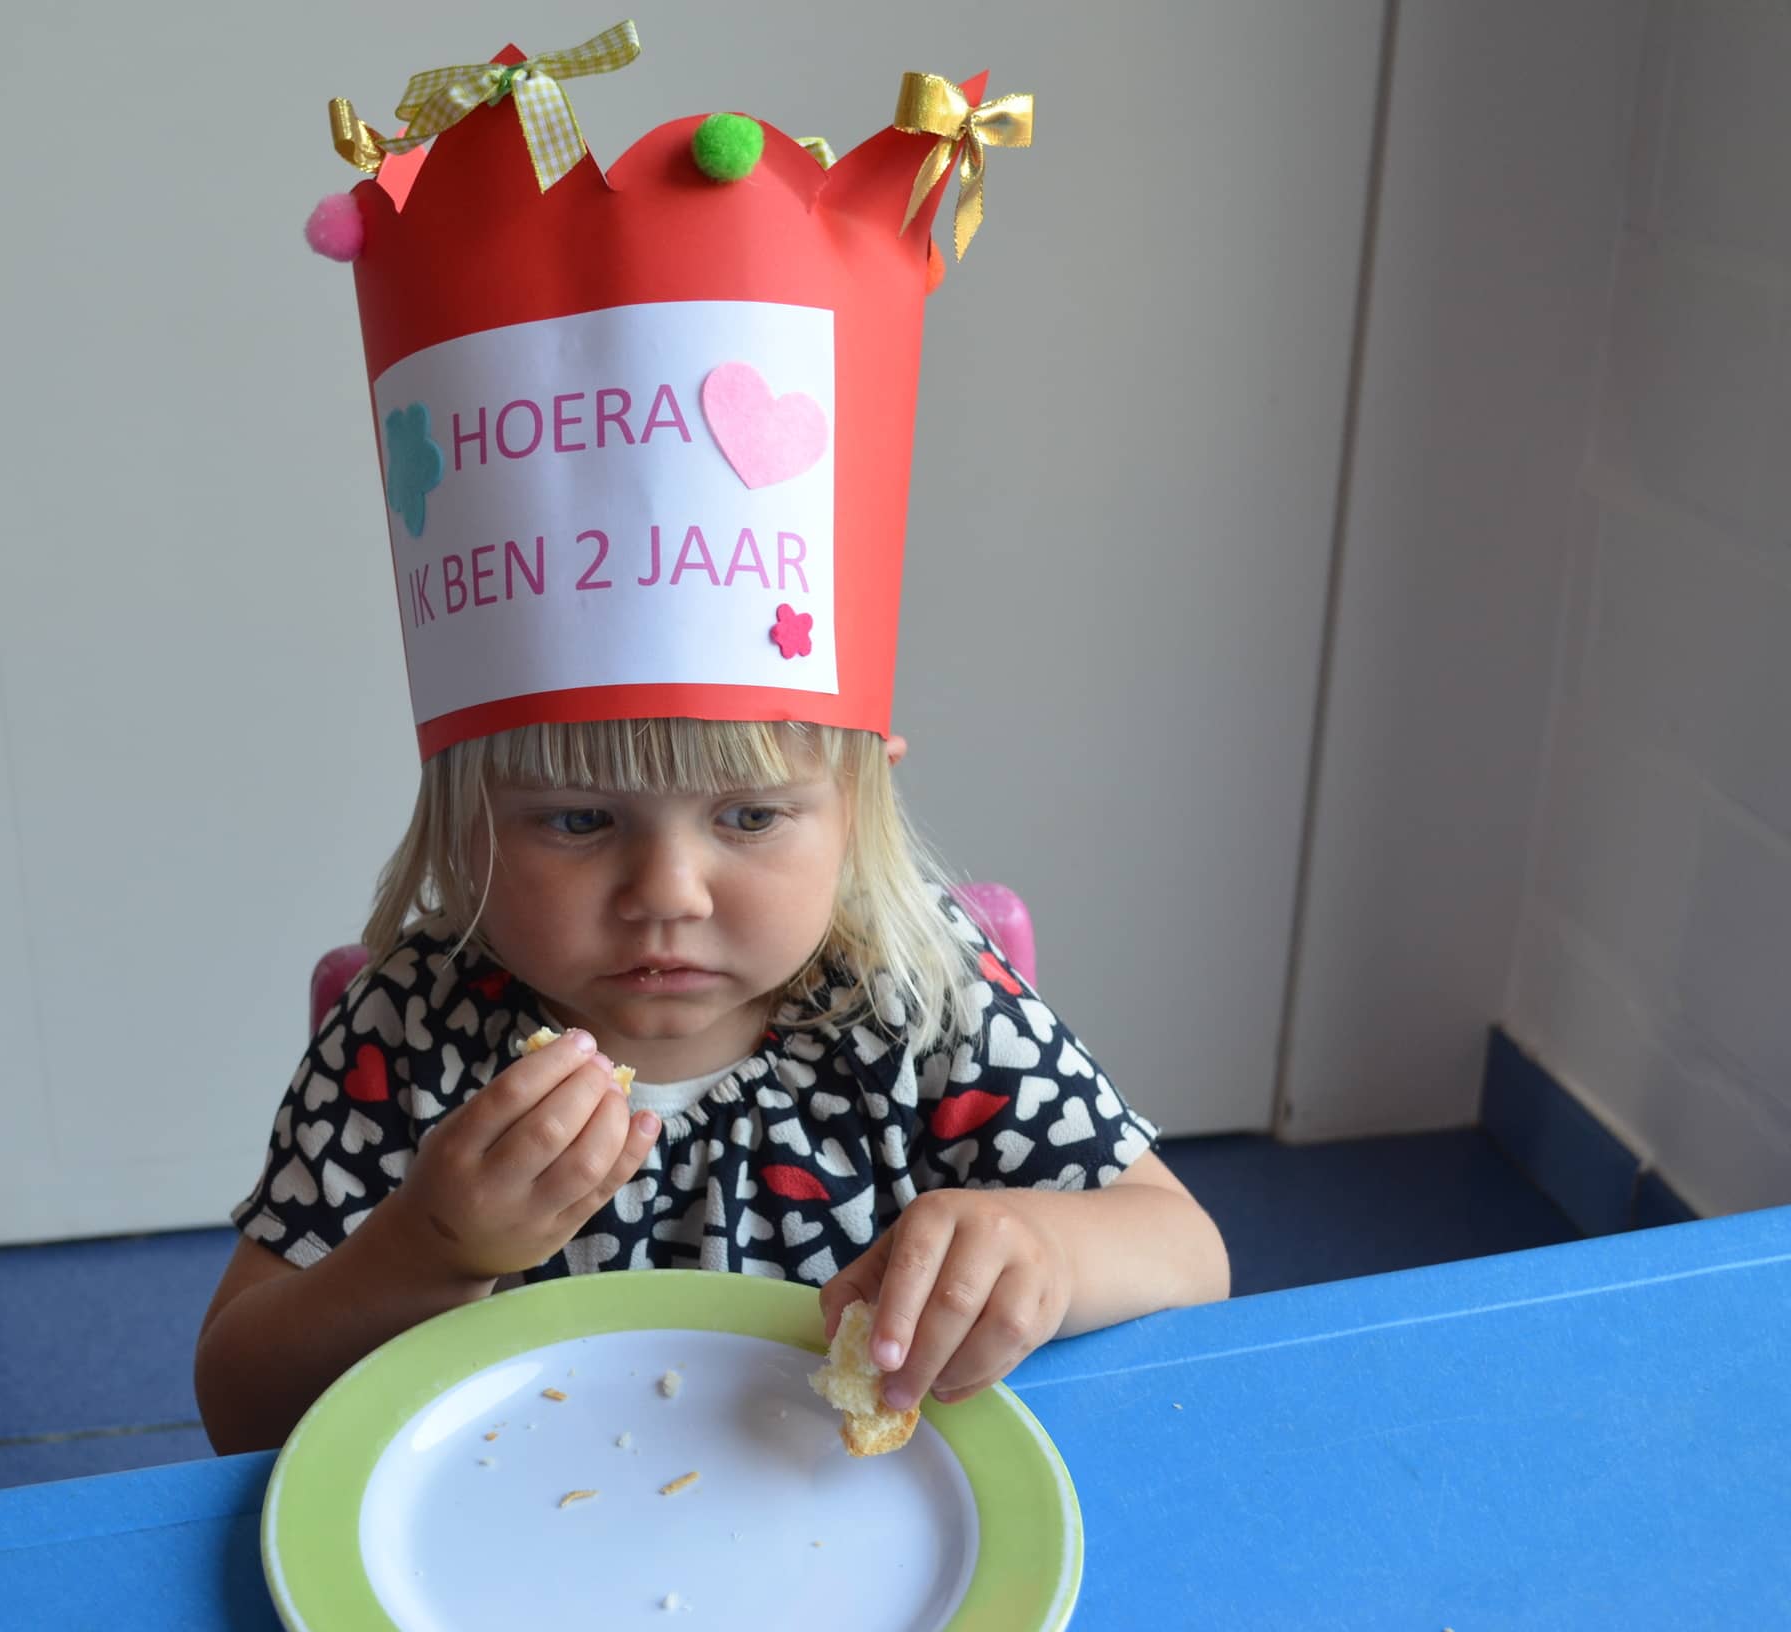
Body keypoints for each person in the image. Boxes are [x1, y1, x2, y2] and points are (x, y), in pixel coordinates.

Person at [195, 29, 1228, 1455]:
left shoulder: (914, 998)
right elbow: (236, 1399)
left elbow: (1187, 1248)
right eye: (576, 819)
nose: (667, 892)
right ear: (462, 817)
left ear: (856, 804)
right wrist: (425, 1249)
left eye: (748, 817)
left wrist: (1041, 1249)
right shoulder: (413, 1037)